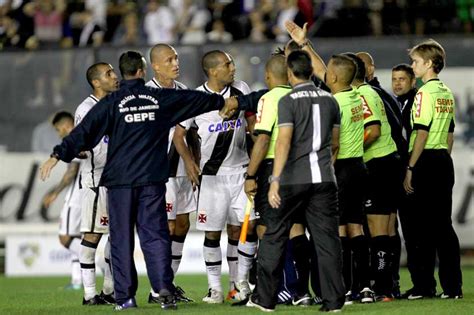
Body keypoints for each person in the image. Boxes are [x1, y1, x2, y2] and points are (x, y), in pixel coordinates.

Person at [39, 50, 235, 310]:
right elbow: (193, 100)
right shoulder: (158, 98)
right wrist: (225, 102)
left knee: (121, 240)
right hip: (151, 181)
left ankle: (125, 297)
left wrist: (57, 154)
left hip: (120, 183)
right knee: (155, 237)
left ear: (123, 73)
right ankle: (163, 290)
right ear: (143, 71)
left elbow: (83, 132)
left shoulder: (111, 102)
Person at [247, 50, 345, 312]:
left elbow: (284, 141)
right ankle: (334, 301)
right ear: (312, 71)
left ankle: (266, 300)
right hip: (324, 180)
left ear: (290, 73)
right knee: (327, 241)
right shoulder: (331, 100)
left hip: (292, 179)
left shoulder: (287, 100)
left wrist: (275, 179)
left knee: (274, 237)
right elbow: (335, 144)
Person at [284, 21, 373, 304]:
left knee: (335, 231)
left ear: (333, 78)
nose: (324, 75)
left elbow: (333, 143)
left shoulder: (336, 102)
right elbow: (326, 70)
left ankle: (342, 288)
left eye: (328, 74)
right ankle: (364, 287)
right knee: (356, 228)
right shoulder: (355, 95)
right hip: (360, 166)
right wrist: (304, 43)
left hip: (341, 168)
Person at [184, 50, 257, 303]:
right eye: (228, 64)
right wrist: (190, 162)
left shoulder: (241, 88)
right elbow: (181, 134)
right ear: (214, 71)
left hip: (241, 172)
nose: (233, 67)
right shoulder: (196, 98)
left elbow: (251, 122)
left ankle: (241, 284)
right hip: (212, 176)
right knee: (212, 233)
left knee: (245, 229)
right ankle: (214, 288)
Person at [243, 54, 313, 306]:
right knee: (296, 229)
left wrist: (251, 174)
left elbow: (262, 140)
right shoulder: (303, 96)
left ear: (268, 76)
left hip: (275, 166)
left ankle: (282, 288)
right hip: (303, 168)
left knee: (267, 230)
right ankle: (302, 291)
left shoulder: (269, 98)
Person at [403, 39, 463, 300]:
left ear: (428, 64)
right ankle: (452, 288)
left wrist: (411, 167)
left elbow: (421, 133)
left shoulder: (423, 93)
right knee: (443, 227)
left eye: (416, 61)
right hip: (442, 161)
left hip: (425, 161)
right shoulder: (446, 93)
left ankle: (425, 286)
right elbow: (449, 134)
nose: (412, 66)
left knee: (422, 228)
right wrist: (442, 160)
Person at [145, 43, 194, 303]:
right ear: (155, 65)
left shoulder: (184, 92)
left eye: (176, 58)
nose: (176, 63)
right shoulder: (146, 95)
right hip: (160, 172)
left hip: (182, 171)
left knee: (183, 225)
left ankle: (168, 284)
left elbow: (187, 132)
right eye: (169, 59)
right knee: (167, 226)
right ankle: (158, 288)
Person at [357, 51, 404, 298]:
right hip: (390, 162)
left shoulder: (363, 94)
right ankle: (388, 286)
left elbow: (373, 131)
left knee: (376, 231)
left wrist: (353, 150)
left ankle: (383, 286)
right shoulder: (376, 93)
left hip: (376, 164)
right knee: (385, 229)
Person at [74, 62, 119, 306]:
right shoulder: (86, 108)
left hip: (117, 181)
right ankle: (89, 294)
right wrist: (79, 149)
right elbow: (79, 141)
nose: (115, 77)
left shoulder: (117, 105)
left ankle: (110, 290)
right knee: (92, 236)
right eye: (109, 74)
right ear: (96, 82)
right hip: (95, 181)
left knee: (116, 238)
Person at [42, 111, 82, 290]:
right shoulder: (87, 134)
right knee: (77, 236)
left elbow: (71, 172)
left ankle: (100, 261)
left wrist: (55, 193)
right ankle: (76, 281)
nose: (59, 134)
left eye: (58, 130)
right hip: (89, 194)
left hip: (76, 197)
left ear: (66, 126)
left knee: (64, 238)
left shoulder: (75, 139)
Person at [392, 63, 418, 143]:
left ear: (413, 81)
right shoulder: (396, 103)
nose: (397, 83)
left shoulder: (417, 103)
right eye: (394, 79)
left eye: (401, 79)